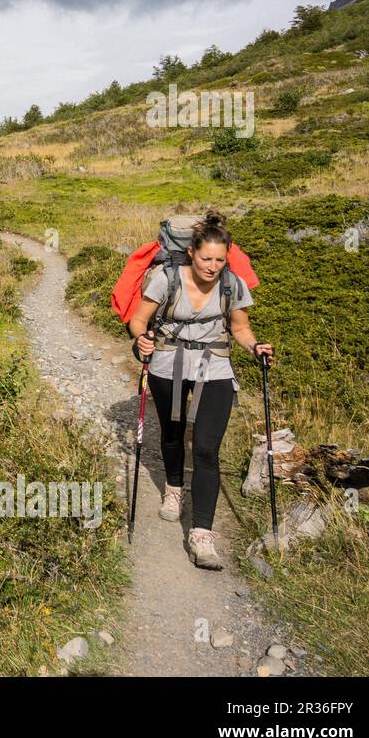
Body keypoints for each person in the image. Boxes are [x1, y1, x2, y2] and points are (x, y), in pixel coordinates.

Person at [127, 210, 275, 569]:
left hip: (215, 367)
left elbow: (239, 328)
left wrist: (255, 347)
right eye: (206, 259)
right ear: (191, 252)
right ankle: (174, 489)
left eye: (219, 260)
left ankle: (202, 534)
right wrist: (142, 339)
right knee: (174, 433)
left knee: (207, 448)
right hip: (167, 363)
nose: (212, 267)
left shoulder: (232, 285)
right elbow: (139, 320)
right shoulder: (165, 279)